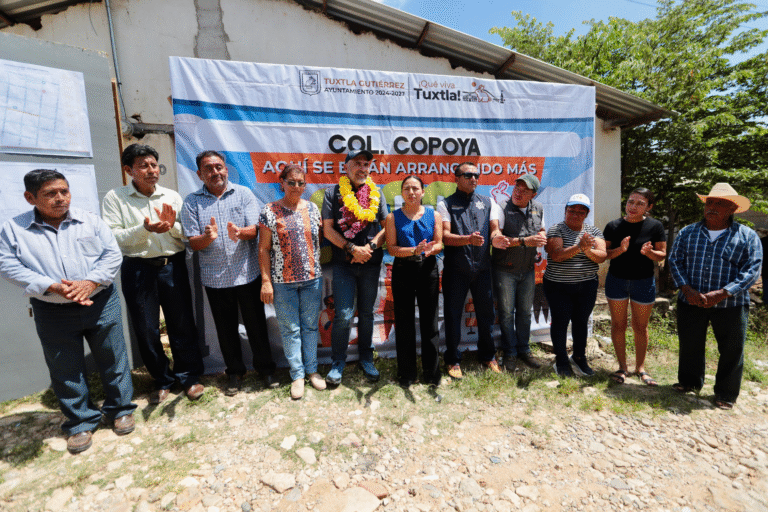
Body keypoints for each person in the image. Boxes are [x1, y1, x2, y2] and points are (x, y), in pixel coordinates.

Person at [0, 170, 136, 454]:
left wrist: (90, 282)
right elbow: (7, 264)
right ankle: (80, 421)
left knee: (113, 355)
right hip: (52, 308)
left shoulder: (90, 221)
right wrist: (50, 285)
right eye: (50, 193)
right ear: (30, 197)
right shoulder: (14, 230)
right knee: (65, 365)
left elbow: (111, 254)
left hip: (100, 300)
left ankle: (120, 409)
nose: (60, 198)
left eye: (64, 191)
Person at [102, 144, 205, 404]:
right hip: (138, 269)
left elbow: (185, 231)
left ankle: (189, 377)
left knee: (181, 323)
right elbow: (114, 237)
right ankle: (162, 379)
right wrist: (145, 228)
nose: (151, 171)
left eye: (154, 165)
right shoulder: (115, 198)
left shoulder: (171, 196)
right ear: (129, 170)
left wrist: (170, 227)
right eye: (143, 166)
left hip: (173, 265)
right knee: (147, 328)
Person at [180, 151, 276, 396]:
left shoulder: (243, 193)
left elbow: (255, 230)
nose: (215, 172)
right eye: (209, 168)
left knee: (256, 325)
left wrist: (240, 233)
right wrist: (206, 237)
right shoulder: (192, 202)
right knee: (226, 328)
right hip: (215, 277)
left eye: (219, 167)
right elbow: (193, 242)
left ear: (226, 169)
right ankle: (235, 372)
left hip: (247, 273)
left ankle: (266, 369)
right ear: (200, 174)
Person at [668, 183, 762, 409]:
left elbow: (752, 269)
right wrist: (686, 288)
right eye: (709, 202)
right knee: (690, 344)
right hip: (691, 300)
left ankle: (726, 394)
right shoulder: (688, 232)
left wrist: (723, 292)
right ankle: (689, 382)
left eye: (720, 203)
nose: (712, 207)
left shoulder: (747, 236)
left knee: (732, 349)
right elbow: (674, 260)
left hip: (731, 303)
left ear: (732, 208)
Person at [259, 164, 325, 400]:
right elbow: (264, 249)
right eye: (291, 182)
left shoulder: (314, 209)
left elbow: (316, 242)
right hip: (282, 281)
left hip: (311, 279)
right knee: (290, 330)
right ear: (282, 183)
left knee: (309, 327)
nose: (296, 186)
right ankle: (297, 375)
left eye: (300, 183)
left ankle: (312, 371)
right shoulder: (270, 211)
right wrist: (266, 281)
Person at [322, 149, 388, 385]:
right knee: (343, 315)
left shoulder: (377, 193)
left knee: (368, 314)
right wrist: (352, 249)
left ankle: (366, 359)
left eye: (366, 164)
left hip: (371, 264)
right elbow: (328, 229)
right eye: (357, 163)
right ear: (347, 166)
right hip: (344, 265)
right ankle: (338, 362)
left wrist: (368, 247)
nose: (362, 168)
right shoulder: (334, 193)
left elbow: (385, 228)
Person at [437, 162, 499, 379]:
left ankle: (488, 356)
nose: (473, 179)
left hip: (482, 269)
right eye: (468, 175)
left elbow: (495, 229)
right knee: (453, 316)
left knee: (486, 315)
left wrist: (498, 238)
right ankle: (453, 360)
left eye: (476, 175)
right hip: (456, 270)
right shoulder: (446, 204)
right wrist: (467, 240)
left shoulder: (487, 202)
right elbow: (444, 237)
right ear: (456, 178)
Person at [603, 188, 667, 386]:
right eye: (631, 201)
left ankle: (640, 368)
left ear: (649, 207)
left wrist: (649, 253)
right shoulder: (613, 226)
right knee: (618, 325)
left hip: (643, 282)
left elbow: (662, 255)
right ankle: (622, 367)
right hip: (617, 282)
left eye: (640, 203)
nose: (633, 206)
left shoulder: (655, 226)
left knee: (640, 327)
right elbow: (605, 254)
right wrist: (620, 250)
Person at [385, 176, 444, 387]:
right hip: (403, 270)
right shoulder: (393, 217)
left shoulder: (433, 214)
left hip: (427, 269)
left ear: (423, 192)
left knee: (430, 322)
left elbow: (439, 243)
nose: (411, 192)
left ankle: (432, 372)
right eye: (407, 189)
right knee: (404, 323)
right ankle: (407, 373)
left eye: (415, 188)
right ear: (401, 193)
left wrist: (430, 249)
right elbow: (391, 248)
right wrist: (413, 250)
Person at [543, 193, 607, 377]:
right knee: (561, 322)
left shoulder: (593, 231)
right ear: (565, 211)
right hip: (558, 286)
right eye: (572, 210)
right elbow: (557, 255)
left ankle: (579, 357)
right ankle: (561, 360)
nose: (575, 214)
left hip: (586, 286)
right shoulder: (557, 229)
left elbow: (602, 256)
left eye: (581, 211)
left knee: (580, 322)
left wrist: (587, 250)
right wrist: (580, 248)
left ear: (586, 214)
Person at [489, 174, 546, 372]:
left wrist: (541, 237)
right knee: (506, 314)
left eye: (525, 190)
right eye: (517, 187)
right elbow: (498, 238)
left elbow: (542, 230)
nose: (518, 192)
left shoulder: (538, 208)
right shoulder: (501, 207)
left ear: (533, 194)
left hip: (528, 270)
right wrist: (524, 241)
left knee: (524, 313)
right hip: (505, 270)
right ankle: (510, 353)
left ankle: (524, 350)